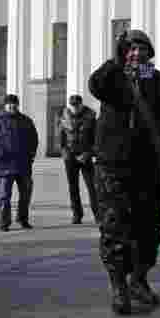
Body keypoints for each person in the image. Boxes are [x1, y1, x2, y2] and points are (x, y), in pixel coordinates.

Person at [89, 29, 160, 314]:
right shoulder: (113, 75)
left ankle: (139, 279)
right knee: (114, 228)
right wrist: (115, 60)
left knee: (148, 230)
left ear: (149, 52)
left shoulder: (152, 77)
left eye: (141, 48)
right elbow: (96, 85)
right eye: (130, 48)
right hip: (113, 166)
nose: (136, 53)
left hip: (147, 166)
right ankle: (118, 286)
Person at [0, 94, 39, 231]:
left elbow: (34, 139)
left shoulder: (26, 121)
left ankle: (23, 219)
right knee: (4, 196)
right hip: (4, 164)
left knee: (25, 194)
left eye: (14, 104)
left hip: (23, 164)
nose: (12, 106)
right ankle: (4, 222)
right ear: (5, 105)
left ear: (18, 105)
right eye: (9, 104)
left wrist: (31, 155)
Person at [59, 94, 99, 224]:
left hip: (85, 157)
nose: (75, 108)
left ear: (81, 104)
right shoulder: (64, 117)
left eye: (77, 105)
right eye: (72, 105)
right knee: (73, 187)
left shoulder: (91, 117)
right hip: (70, 158)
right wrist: (66, 154)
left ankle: (98, 214)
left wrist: (88, 154)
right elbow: (61, 141)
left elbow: (97, 140)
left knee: (92, 187)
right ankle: (77, 214)